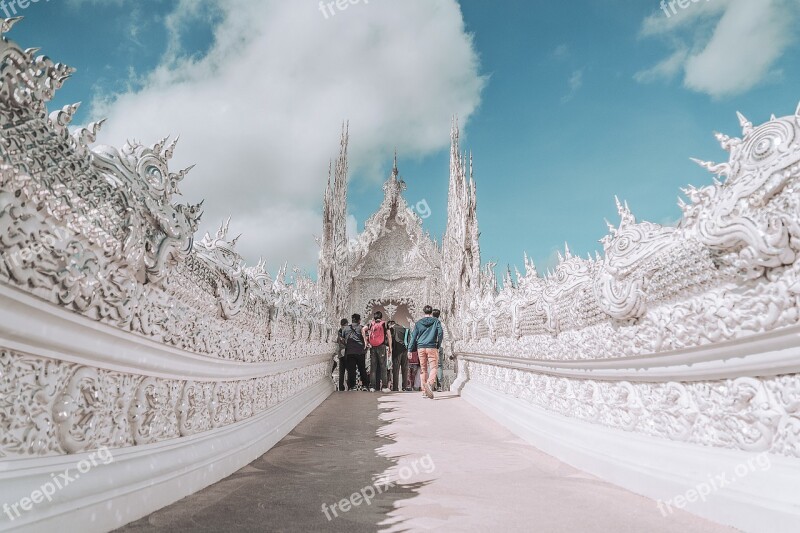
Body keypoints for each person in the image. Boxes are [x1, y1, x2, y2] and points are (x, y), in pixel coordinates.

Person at [408, 305, 443, 399]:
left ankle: (424, 391)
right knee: (434, 367)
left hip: (421, 347)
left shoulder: (418, 323)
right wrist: (438, 344)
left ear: (423, 312)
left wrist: (410, 349)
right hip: (432, 346)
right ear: (431, 312)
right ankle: (429, 383)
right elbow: (440, 333)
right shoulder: (436, 321)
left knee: (423, 369)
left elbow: (413, 336)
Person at [363, 311, 392, 392]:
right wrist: (390, 348)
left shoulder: (371, 324)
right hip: (382, 347)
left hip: (373, 347)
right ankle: (384, 387)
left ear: (374, 317)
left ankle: (372, 387)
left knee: (373, 368)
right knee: (383, 367)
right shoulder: (384, 324)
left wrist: (366, 342)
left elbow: (363, 329)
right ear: (381, 317)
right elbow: (389, 336)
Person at [343, 314, 369, 391]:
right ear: (359, 320)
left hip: (350, 352)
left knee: (351, 370)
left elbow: (343, 339)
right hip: (360, 351)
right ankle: (365, 385)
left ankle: (352, 386)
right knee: (362, 369)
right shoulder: (362, 328)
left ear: (352, 319)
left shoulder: (346, 328)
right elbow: (366, 338)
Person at [388, 320, 409, 392]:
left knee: (396, 370)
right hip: (405, 350)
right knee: (405, 369)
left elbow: (390, 340)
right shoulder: (404, 328)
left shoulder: (392, 329)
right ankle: (404, 387)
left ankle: (395, 387)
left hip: (396, 351)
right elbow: (409, 339)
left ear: (390, 324)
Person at [432, 309, 445, 392]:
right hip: (440, 346)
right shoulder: (442, 324)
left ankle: (432, 384)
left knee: (432, 365)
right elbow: (446, 336)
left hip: (432, 346)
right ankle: (439, 385)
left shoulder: (430, 324)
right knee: (439, 366)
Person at [335, 318, 349, 391]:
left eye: (345, 326)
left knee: (348, 371)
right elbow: (338, 342)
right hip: (341, 354)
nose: (344, 328)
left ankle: (349, 386)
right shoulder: (339, 332)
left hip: (347, 353)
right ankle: (341, 387)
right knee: (341, 371)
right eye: (343, 326)